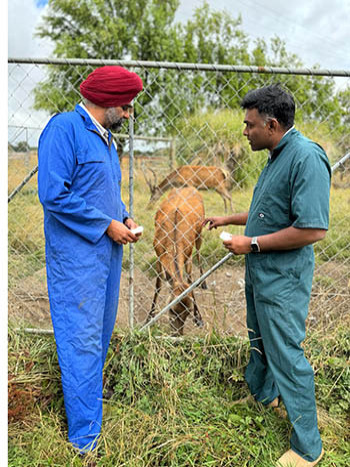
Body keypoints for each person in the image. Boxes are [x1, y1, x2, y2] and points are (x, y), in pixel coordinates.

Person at [204, 84, 331, 467]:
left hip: (283, 278)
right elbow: (268, 210)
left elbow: (312, 229)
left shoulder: (306, 158)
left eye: (250, 125)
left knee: (287, 354)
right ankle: (264, 395)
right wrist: (229, 219)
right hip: (263, 273)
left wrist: (252, 245)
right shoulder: (278, 154)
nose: (245, 131)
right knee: (259, 336)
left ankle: (308, 447)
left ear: (272, 124)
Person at [38, 66, 143, 453]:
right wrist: (105, 225)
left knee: (98, 335)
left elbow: (103, 193)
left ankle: (87, 409)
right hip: (78, 259)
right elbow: (53, 193)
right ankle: (85, 442)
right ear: (110, 100)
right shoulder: (64, 129)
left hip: (107, 255)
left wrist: (124, 215)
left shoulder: (106, 140)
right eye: (128, 107)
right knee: (80, 338)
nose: (129, 115)